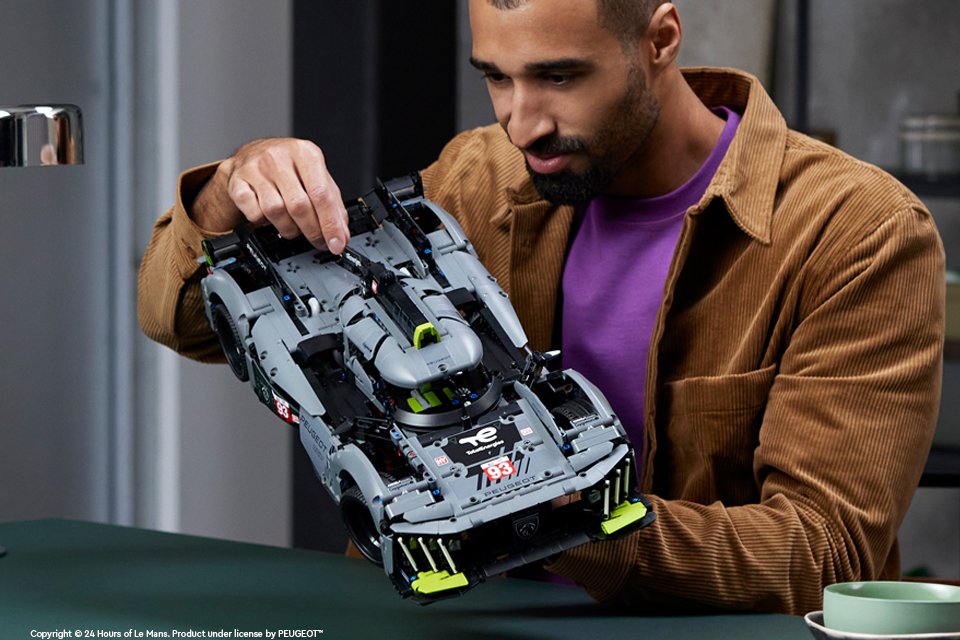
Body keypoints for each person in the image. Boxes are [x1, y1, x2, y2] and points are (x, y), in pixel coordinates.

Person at [138, 0, 945, 615]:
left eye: (559, 76)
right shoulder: (479, 177)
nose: (520, 120)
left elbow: (826, 553)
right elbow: (183, 324)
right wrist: (227, 194)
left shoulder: (857, 233)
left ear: (659, 39)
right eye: (495, 76)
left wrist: (560, 511)